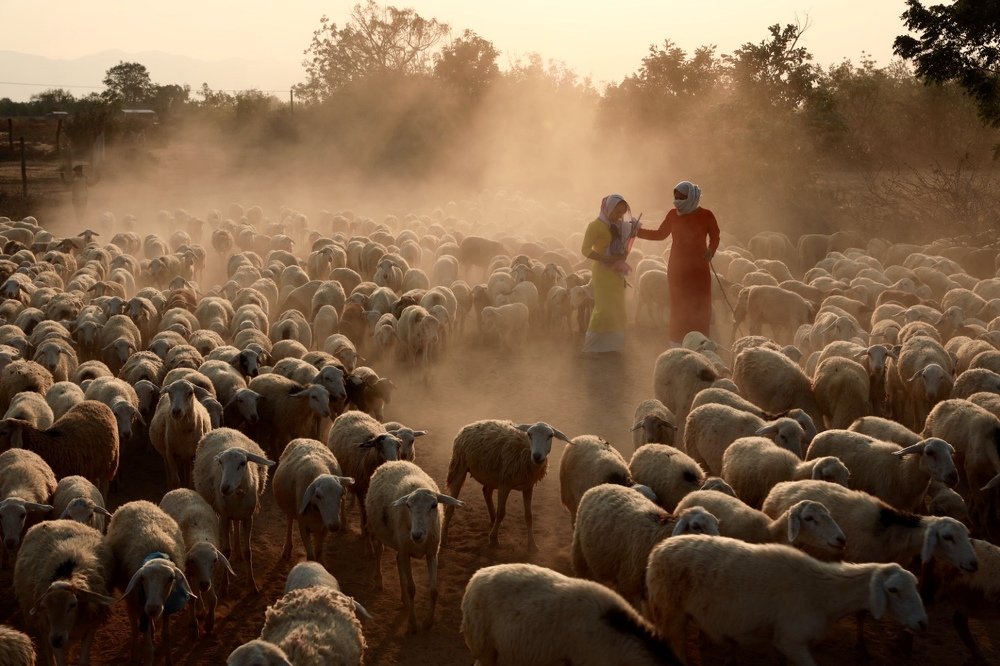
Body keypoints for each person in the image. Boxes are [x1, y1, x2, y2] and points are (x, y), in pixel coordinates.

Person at [637, 180, 720, 343]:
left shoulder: (706, 215)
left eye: (681, 198)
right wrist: (637, 232)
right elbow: (660, 234)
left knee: (700, 303)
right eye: (675, 197)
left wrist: (711, 250)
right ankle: (677, 341)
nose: (677, 201)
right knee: (678, 303)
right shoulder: (673, 214)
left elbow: (715, 236)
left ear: (691, 197)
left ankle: (700, 341)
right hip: (677, 268)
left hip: (699, 268)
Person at [580, 194, 639, 353]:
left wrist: (621, 257)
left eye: (622, 213)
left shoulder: (621, 227)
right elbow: (585, 250)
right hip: (602, 272)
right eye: (617, 212)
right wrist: (605, 258)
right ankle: (592, 347)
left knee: (617, 307)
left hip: (616, 273)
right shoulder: (595, 226)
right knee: (603, 308)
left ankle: (613, 346)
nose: (619, 216)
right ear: (608, 209)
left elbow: (624, 248)